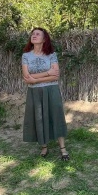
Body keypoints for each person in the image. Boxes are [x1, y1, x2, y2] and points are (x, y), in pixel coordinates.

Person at [22, 27, 69, 160]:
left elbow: (55, 76)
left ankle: (63, 148)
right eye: (33, 34)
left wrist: (35, 78)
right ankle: (44, 146)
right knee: (39, 117)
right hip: (34, 92)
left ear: (44, 39)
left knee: (56, 115)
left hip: (51, 90)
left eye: (38, 34)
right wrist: (47, 73)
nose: (34, 35)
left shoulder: (51, 55)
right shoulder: (26, 55)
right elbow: (26, 77)